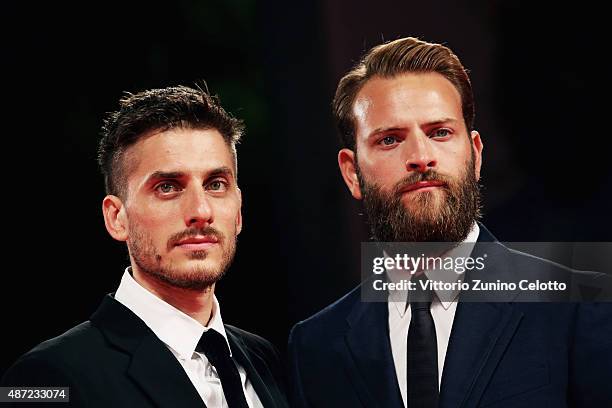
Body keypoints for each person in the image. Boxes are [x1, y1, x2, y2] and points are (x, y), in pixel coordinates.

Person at [288, 37, 612, 407]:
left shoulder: (580, 305)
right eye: (390, 140)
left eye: (440, 132)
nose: (421, 156)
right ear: (351, 173)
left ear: (475, 156)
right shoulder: (315, 346)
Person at [2, 86, 288, 408]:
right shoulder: (46, 377)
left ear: (238, 211)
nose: (201, 211)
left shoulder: (267, 361)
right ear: (116, 218)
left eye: (216, 184)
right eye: (167, 187)